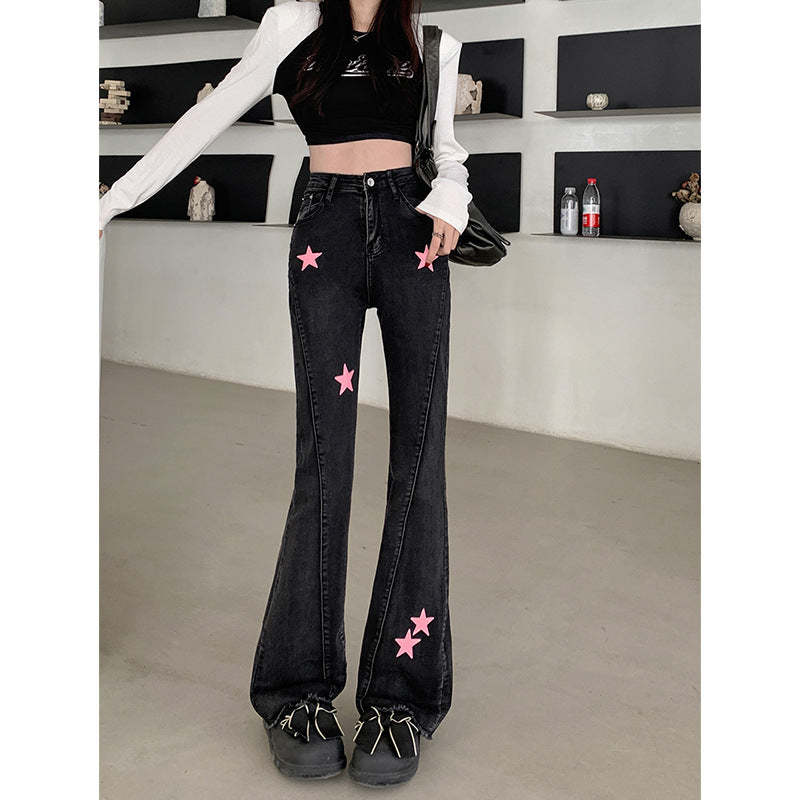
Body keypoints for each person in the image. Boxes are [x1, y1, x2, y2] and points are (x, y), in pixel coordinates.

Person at [99, 0, 471, 787]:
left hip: (414, 235)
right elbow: (205, 121)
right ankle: (297, 692)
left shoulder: (431, 40)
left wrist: (451, 193)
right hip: (325, 233)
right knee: (322, 463)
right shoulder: (291, 25)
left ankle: (399, 700)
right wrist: (109, 202)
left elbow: (446, 150)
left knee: (420, 463)